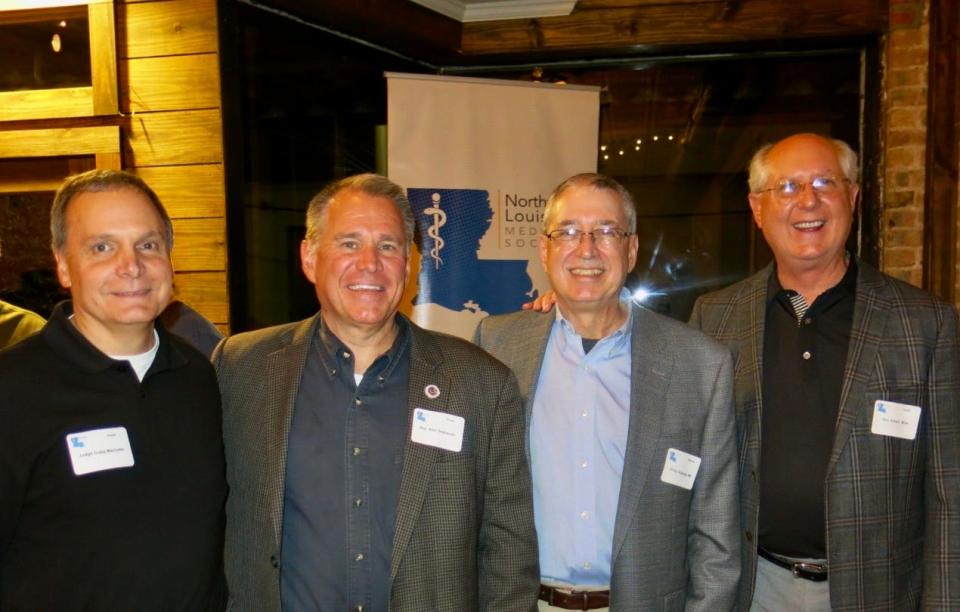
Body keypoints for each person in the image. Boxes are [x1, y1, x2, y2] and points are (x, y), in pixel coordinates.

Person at [213, 173, 539, 611]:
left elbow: (508, 551)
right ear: (309, 258)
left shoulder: (480, 383)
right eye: (349, 243)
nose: (369, 263)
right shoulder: (239, 367)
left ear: (409, 264)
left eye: (388, 246)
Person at [689, 133, 960, 611]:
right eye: (787, 187)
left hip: (879, 594)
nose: (807, 200)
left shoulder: (925, 323)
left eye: (823, 182)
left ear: (852, 197)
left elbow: (950, 495)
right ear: (757, 208)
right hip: (753, 588)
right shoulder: (715, 318)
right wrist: (574, 314)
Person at [475, 173, 740, 611]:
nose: (586, 249)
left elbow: (717, 534)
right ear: (544, 250)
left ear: (631, 249)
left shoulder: (699, 365)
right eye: (569, 232)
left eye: (606, 232)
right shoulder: (498, 344)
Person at [0, 169, 227, 610]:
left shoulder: (199, 378)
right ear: (63, 265)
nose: (131, 266)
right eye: (102, 247)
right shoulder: (12, 390)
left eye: (147, 245)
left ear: (170, 259)